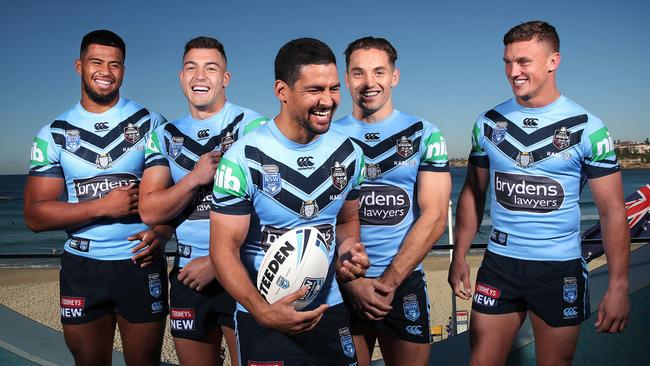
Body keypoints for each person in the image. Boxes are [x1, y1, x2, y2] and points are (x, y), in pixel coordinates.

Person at [448, 21, 630, 366]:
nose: (513, 72)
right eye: (507, 62)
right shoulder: (488, 123)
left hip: (558, 267)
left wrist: (618, 285)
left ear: (553, 61)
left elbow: (612, 210)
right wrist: (459, 256)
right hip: (500, 264)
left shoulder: (587, 128)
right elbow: (473, 193)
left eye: (524, 62)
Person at [209, 37, 369, 366]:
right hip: (263, 314)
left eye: (333, 88)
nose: (328, 101)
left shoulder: (350, 154)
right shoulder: (244, 158)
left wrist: (350, 249)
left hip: (329, 308)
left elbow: (347, 221)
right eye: (315, 90)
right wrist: (261, 311)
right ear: (282, 91)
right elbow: (223, 249)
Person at [23, 30, 170, 366]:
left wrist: (161, 233)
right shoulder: (54, 134)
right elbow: (34, 216)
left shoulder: (150, 124)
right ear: (79, 66)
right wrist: (102, 207)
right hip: (83, 268)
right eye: (96, 62)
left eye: (114, 64)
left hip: (139, 263)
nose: (106, 70)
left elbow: (173, 199)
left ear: (123, 70)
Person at [139, 36, 267, 366]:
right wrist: (194, 178)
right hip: (187, 275)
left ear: (225, 78)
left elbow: (272, 211)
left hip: (243, 271)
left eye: (211, 68)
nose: (200, 76)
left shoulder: (253, 127)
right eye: (191, 68)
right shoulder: (164, 135)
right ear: (181, 78)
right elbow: (150, 209)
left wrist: (216, 262)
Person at [333, 37, 452, 366]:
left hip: (400, 283)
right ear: (346, 79)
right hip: (342, 283)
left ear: (394, 77)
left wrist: (386, 284)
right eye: (358, 73)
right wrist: (354, 283)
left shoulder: (423, 133)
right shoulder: (328, 137)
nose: (369, 83)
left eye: (378, 72)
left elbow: (435, 216)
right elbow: (317, 217)